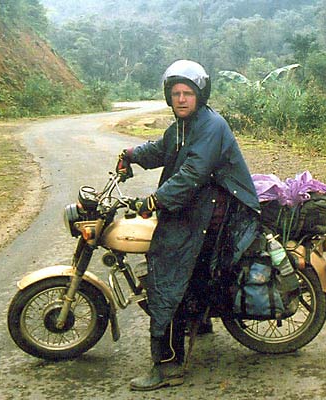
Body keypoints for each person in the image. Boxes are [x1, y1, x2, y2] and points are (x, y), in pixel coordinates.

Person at [115, 59, 261, 391]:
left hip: (222, 213)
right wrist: (131, 153)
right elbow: (162, 151)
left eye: (188, 93)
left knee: (166, 274)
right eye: (176, 93)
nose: (181, 99)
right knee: (183, 264)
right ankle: (200, 317)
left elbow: (193, 173)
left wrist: (154, 201)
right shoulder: (183, 126)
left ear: (200, 95)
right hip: (206, 203)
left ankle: (167, 367)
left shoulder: (210, 125)